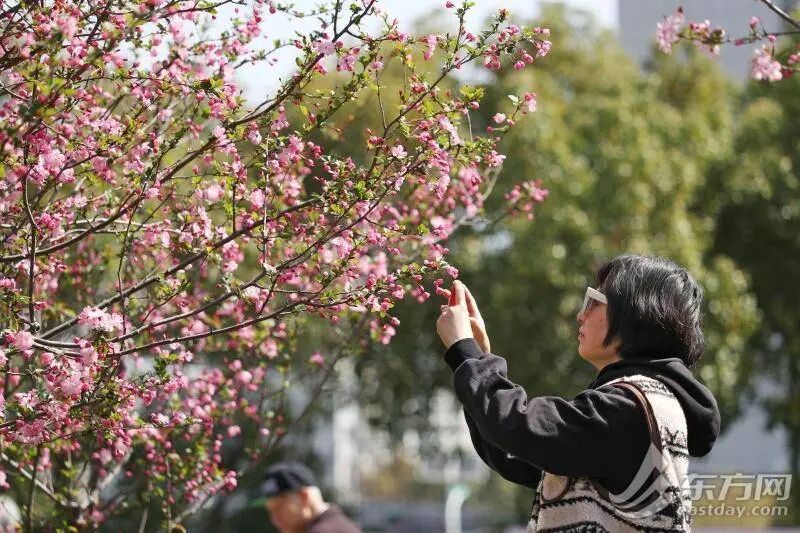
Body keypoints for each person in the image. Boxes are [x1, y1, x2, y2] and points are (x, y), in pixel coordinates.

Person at [436, 254, 720, 532]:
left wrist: (467, 355)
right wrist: (476, 358)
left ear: (635, 313)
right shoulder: (649, 402)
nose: (581, 314)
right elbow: (519, 455)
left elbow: (520, 427)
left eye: (595, 302)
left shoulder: (631, 407)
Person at [260, 461, 361, 533]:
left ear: (304, 497)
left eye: (279, 507)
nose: (274, 519)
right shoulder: (339, 525)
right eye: (270, 511)